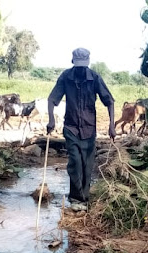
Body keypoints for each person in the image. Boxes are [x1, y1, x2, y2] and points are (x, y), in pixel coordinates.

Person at [47, 48, 116, 212]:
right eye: (78, 66)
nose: (80, 70)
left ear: (87, 64)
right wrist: (51, 120)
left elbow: (110, 101)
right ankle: (76, 198)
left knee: (87, 165)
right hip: (71, 128)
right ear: (73, 63)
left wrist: (112, 125)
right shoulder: (66, 77)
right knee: (75, 163)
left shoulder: (95, 78)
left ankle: (84, 199)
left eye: (83, 67)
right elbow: (52, 99)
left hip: (89, 129)